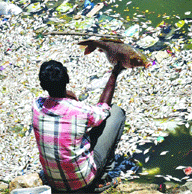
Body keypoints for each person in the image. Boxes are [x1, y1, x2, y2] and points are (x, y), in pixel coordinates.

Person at [32, 60, 126, 193]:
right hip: (82, 182)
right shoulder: (79, 111)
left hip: (53, 181)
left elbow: (56, 98)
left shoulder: (36, 106)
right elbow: (103, 110)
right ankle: (103, 179)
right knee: (116, 113)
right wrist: (114, 74)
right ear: (67, 79)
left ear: (42, 85)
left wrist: (66, 94)